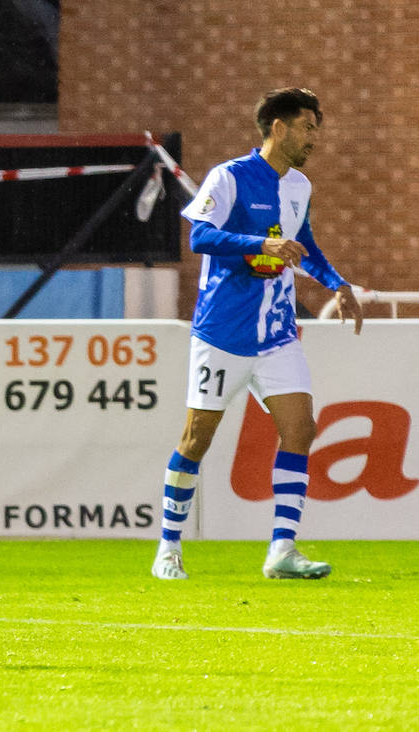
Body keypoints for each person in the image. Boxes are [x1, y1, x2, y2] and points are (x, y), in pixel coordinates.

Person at [151, 87, 363, 581]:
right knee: (196, 439)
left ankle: (282, 550)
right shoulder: (228, 177)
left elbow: (302, 244)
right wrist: (260, 243)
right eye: (308, 126)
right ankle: (168, 546)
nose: (315, 137)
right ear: (279, 127)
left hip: (277, 334)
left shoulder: (299, 186)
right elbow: (200, 236)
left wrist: (337, 282)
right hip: (222, 332)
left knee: (301, 429)